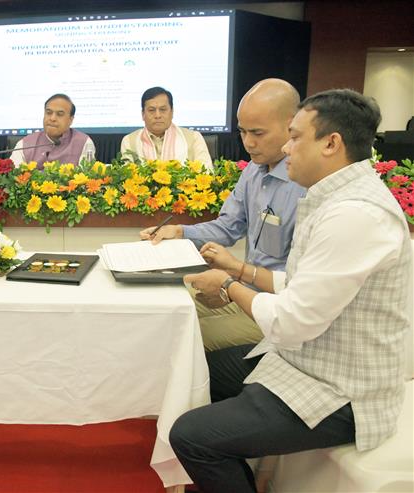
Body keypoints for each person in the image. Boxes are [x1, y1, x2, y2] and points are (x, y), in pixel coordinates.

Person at [170, 89, 411, 493]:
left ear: (331, 144)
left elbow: (290, 323)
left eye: (296, 137)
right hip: (304, 362)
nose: (286, 147)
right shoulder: (335, 197)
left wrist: (230, 285)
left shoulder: (354, 214)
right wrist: (237, 271)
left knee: (191, 436)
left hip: (340, 391)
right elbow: (299, 286)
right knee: (199, 371)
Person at [140, 79, 305, 351]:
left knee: (182, 337)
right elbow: (228, 226)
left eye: (258, 133)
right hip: (243, 291)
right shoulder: (254, 170)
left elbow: (298, 286)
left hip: (275, 307)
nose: (248, 143)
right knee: (161, 315)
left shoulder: (305, 181)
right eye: (242, 132)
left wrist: (232, 278)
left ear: (292, 125)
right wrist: (180, 231)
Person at [121, 87, 212, 169]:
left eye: (163, 110)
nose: (157, 115)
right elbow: (127, 177)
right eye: (151, 110)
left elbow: (207, 173)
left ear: (172, 112)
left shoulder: (193, 138)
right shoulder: (129, 141)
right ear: (143, 114)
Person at [9, 93, 94, 168]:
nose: (52, 118)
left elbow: (85, 181)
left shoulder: (84, 143)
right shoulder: (25, 144)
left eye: (60, 114)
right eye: (48, 113)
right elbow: (14, 178)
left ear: (71, 119)